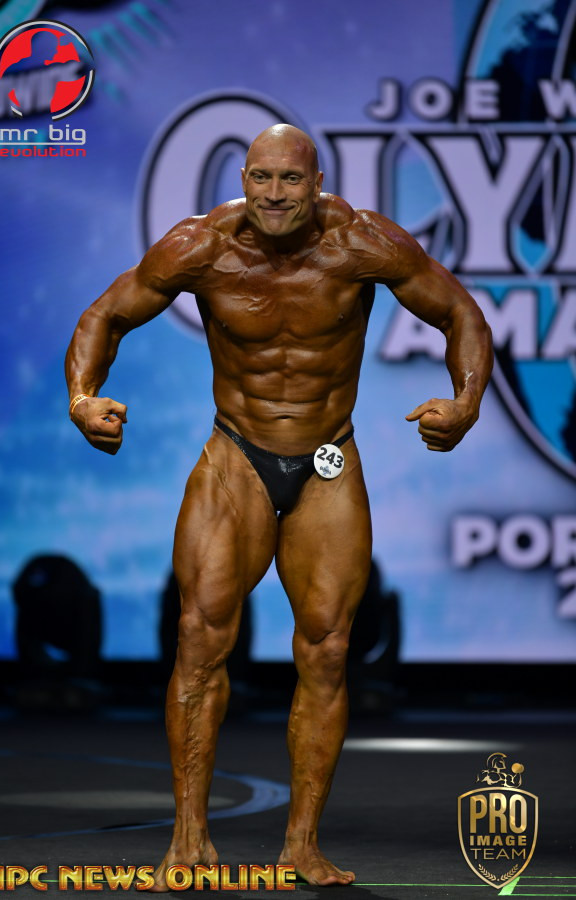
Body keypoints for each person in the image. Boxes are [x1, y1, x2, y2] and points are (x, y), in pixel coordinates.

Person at [65, 124, 493, 887]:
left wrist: (465, 404)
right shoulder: (200, 246)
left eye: (290, 180)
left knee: (327, 650)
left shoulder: (362, 243)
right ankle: (188, 838)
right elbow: (107, 314)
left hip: (328, 458)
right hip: (236, 455)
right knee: (199, 639)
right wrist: (83, 397)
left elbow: (460, 313)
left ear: (317, 182)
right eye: (261, 178)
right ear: (243, 178)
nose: (274, 194)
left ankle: (301, 844)